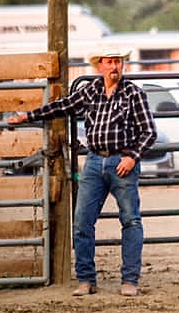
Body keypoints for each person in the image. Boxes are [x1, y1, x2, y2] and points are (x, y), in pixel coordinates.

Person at [8, 48, 156, 297]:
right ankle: (86, 279)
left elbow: (149, 131)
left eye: (118, 62)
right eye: (109, 62)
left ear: (123, 66)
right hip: (95, 161)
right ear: (100, 66)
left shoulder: (134, 94)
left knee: (130, 220)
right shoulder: (91, 91)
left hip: (122, 161)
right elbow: (63, 105)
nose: (114, 67)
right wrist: (28, 116)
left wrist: (132, 156)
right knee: (82, 222)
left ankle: (130, 280)